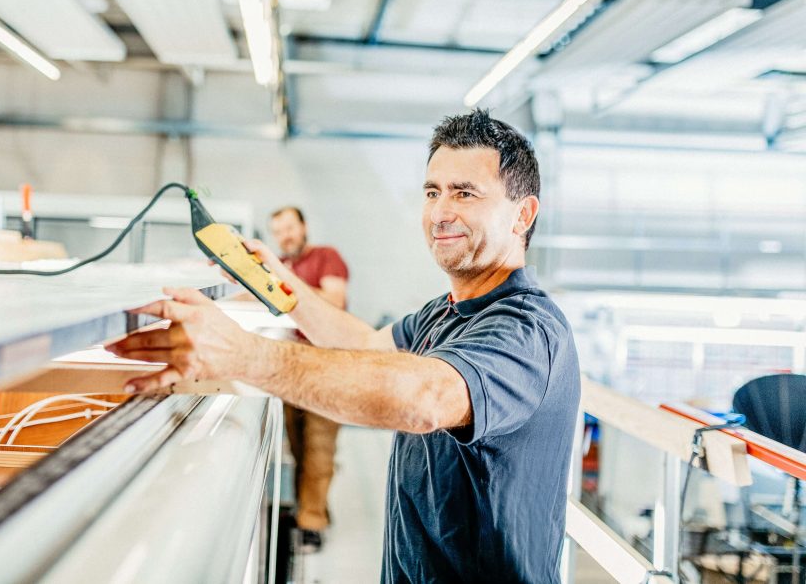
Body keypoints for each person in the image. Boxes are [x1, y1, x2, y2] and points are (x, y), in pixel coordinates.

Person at [110, 109, 581, 583]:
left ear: (523, 214)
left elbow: (426, 399)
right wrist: (275, 281)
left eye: (464, 193)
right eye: (433, 192)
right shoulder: (446, 310)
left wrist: (244, 354)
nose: (440, 212)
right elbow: (365, 344)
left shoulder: (527, 329)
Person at [268, 205, 349, 553]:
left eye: (290, 226)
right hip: (292, 366)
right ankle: (314, 508)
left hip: (327, 365)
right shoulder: (283, 267)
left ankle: (311, 524)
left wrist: (286, 286)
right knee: (298, 448)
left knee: (319, 447)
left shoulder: (326, 257)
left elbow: (335, 298)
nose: (285, 235)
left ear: (304, 226)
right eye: (278, 230)